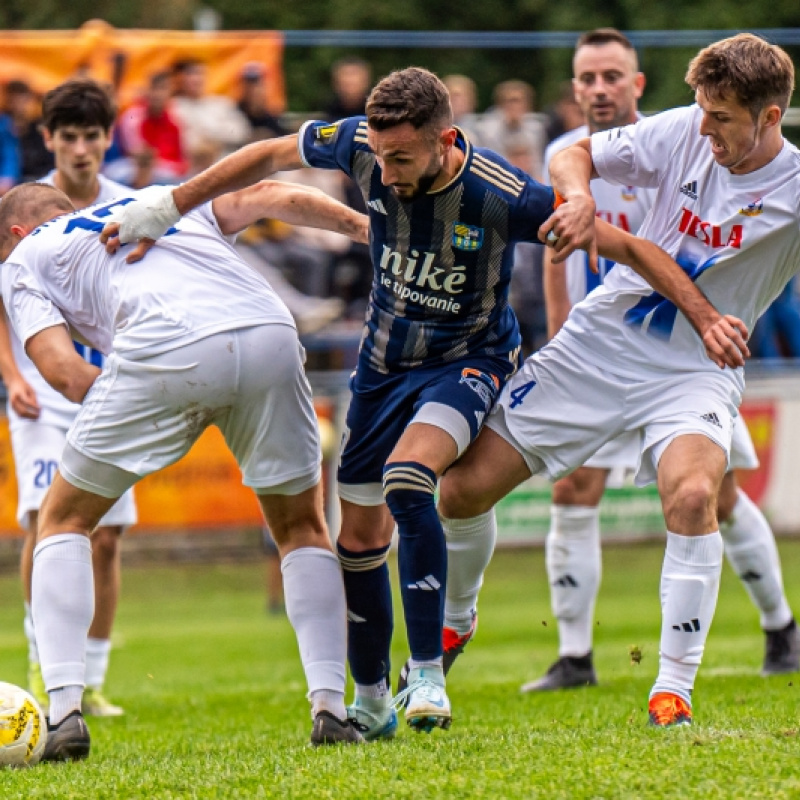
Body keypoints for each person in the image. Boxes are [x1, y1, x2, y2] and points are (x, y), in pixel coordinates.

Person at [97, 67, 745, 739]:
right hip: (381, 370)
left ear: (446, 139)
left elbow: (630, 246)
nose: (385, 170)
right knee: (358, 540)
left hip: (467, 363)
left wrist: (704, 318)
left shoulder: (504, 195)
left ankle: (428, 668)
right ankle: (373, 697)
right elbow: (268, 156)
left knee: (412, 481)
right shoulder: (360, 145)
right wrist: (171, 204)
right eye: (378, 155)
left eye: (401, 157)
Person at [433, 32, 795, 727]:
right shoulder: (683, 130)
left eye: (721, 116)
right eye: (700, 109)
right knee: (462, 489)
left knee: (696, 496)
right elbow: (573, 153)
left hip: (694, 370)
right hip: (600, 345)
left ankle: (673, 689)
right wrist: (576, 197)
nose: (704, 126)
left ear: (770, 116)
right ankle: (457, 620)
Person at [0, 175, 370, 760]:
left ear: (15, 233)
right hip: (270, 331)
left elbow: (63, 372)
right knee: (302, 528)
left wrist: (144, 398)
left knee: (64, 518)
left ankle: (65, 711)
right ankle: (331, 709)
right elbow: (270, 191)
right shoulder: (155, 200)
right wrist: (362, 228)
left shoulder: (22, 256)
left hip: (164, 347)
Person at [0, 78, 138, 719]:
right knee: (43, 521)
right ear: (49, 139)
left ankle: (97, 675)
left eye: (93, 136)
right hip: (40, 394)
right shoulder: (17, 209)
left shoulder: (131, 205)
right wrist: (15, 374)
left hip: (108, 389)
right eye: (69, 136)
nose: (81, 148)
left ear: (107, 140)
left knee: (106, 536)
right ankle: (42, 662)